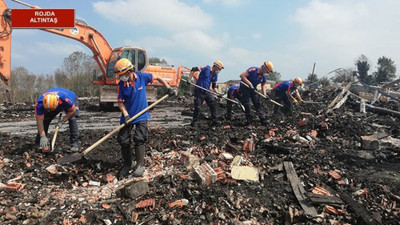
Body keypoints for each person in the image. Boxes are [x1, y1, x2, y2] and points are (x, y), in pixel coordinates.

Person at [114, 58, 175, 177]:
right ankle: (128, 164)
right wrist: (126, 115)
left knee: (139, 138)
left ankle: (140, 165)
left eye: (121, 75)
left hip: (141, 114)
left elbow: (158, 77)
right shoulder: (121, 85)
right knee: (123, 139)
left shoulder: (142, 77)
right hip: (128, 116)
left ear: (128, 72)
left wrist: (168, 88)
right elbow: (120, 102)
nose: (120, 77)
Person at [35, 87, 80, 152]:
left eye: (52, 109)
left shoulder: (66, 99)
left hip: (70, 101)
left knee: (72, 119)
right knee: (46, 119)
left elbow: (72, 111)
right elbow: (39, 120)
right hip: (54, 105)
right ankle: (40, 143)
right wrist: (42, 136)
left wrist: (62, 121)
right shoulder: (39, 104)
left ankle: (75, 143)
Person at [189, 60, 224, 127]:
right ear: (216, 66)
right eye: (219, 69)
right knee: (197, 107)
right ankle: (194, 123)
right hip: (199, 91)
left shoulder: (215, 75)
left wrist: (218, 93)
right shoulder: (206, 68)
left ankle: (215, 121)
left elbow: (214, 86)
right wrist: (189, 78)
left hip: (207, 91)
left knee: (213, 105)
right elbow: (194, 69)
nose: (219, 71)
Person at [239, 61, 273, 126]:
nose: (266, 73)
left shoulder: (263, 77)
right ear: (263, 67)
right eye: (266, 71)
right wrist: (249, 84)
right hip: (245, 87)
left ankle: (263, 120)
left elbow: (263, 85)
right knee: (247, 104)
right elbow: (242, 75)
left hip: (253, 89)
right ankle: (249, 121)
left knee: (258, 103)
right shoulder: (253, 70)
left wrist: (264, 94)